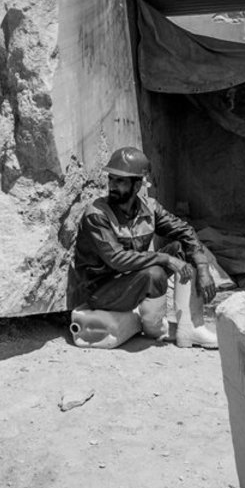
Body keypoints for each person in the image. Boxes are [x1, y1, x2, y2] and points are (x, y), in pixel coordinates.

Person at [73, 146, 219, 349]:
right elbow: (118, 259)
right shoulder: (97, 214)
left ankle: (190, 328)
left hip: (131, 279)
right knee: (155, 274)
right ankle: (155, 328)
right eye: (111, 179)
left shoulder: (149, 208)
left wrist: (203, 268)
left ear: (137, 185)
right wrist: (165, 259)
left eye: (121, 181)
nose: (113, 186)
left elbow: (185, 231)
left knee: (180, 247)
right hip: (101, 291)